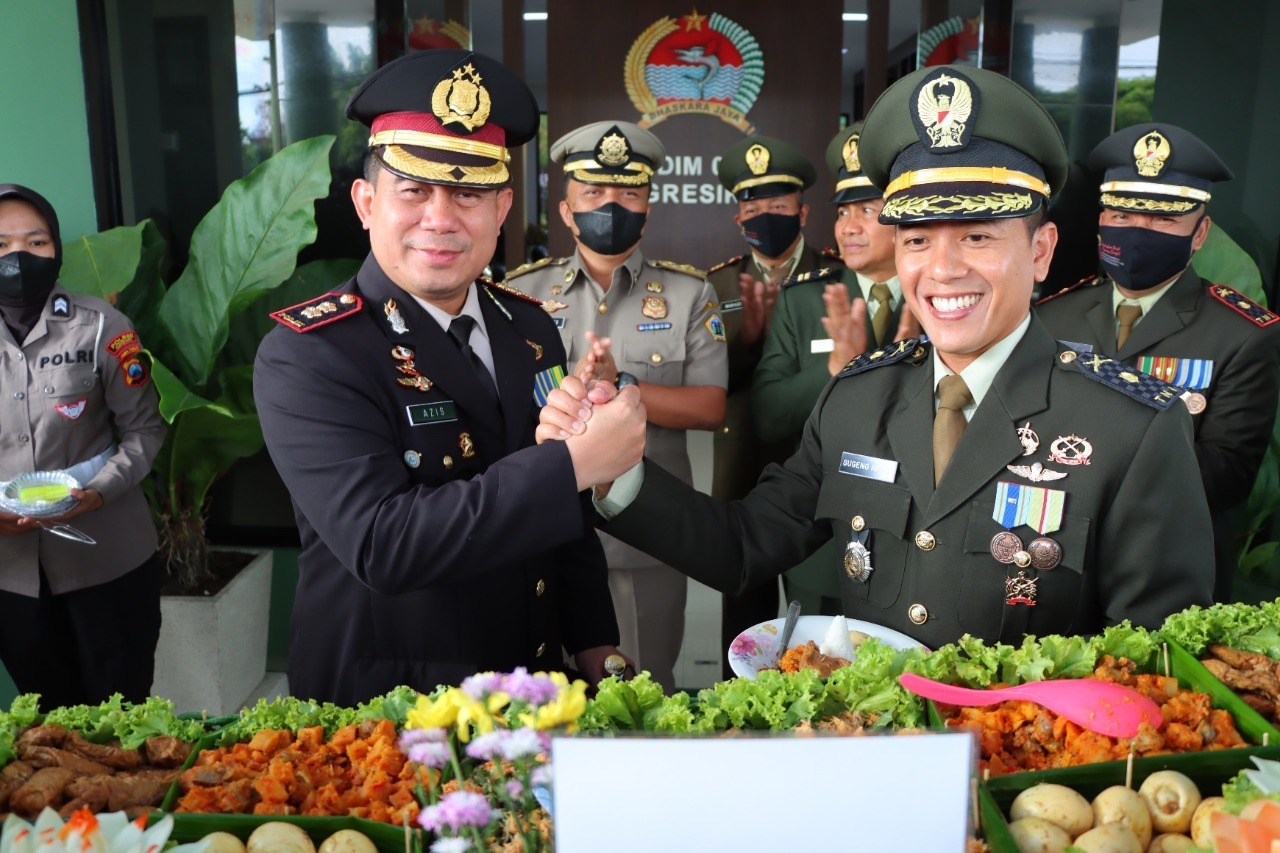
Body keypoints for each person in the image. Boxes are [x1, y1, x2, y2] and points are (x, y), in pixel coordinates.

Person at [538, 66, 1215, 648]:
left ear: (1040, 252)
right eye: (916, 240)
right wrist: (613, 469)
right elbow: (744, 545)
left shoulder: (1132, 428)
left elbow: (1153, 671)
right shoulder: (858, 399)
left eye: (977, 236)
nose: (942, 269)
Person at [254, 50, 638, 705]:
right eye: (414, 190)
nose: (440, 217)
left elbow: (565, 516)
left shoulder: (529, 327)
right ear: (366, 203)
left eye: (468, 193)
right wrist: (572, 464)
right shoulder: (310, 354)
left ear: (502, 208)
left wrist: (595, 639)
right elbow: (383, 544)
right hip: (393, 709)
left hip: (531, 685)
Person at [507, 121, 727, 692]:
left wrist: (624, 384)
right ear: (566, 210)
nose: (611, 206)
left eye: (629, 194)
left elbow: (710, 407)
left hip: (644, 531)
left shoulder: (689, 293)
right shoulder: (522, 294)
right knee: (543, 696)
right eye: (594, 193)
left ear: (647, 210)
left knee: (645, 692)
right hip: (544, 526)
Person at [1036, 123, 1280, 602]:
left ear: (1199, 232)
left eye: (1163, 219)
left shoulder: (1243, 334)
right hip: (1051, 561)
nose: (1137, 233)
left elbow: (1228, 474)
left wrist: (1094, 472)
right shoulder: (1049, 316)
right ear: (1101, 218)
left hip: (1165, 571)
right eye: (1122, 215)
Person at [0, 183, 165, 707]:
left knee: (122, 714)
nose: (18, 257)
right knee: (48, 726)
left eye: (36, 242)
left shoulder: (100, 326)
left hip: (108, 561)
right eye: (0, 245)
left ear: (55, 248)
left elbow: (145, 429)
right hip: (11, 576)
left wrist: (98, 491)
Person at [749, 123, 916, 618]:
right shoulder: (804, 300)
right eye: (843, 212)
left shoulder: (941, 298)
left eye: (867, 210)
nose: (848, 227)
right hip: (824, 540)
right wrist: (835, 370)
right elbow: (767, 416)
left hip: (916, 541)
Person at [705, 135, 836, 665]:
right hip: (743, 461)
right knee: (744, 606)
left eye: (778, 207)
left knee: (823, 603)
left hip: (818, 460)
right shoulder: (718, 285)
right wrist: (750, 337)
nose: (764, 217)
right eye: (753, 207)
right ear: (738, 218)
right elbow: (712, 379)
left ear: (802, 213)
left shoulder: (835, 277)